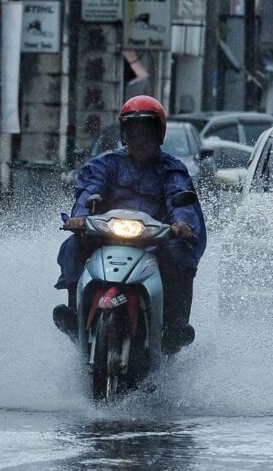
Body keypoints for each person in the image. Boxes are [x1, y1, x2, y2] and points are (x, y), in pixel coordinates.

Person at [53, 95, 207, 354]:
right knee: (72, 245)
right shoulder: (105, 164)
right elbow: (87, 191)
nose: (140, 138)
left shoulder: (172, 169)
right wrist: (79, 217)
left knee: (180, 254)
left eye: (146, 131)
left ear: (159, 133)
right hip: (105, 235)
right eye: (133, 132)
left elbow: (180, 198)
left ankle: (175, 326)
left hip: (154, 241)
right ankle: (73, 312)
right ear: (124, 134)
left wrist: (182, 223)